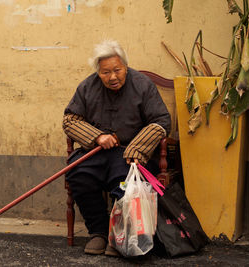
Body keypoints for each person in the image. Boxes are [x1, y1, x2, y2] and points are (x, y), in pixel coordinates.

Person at [63, 40, 171, 256]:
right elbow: (70, 120)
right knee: (78, 173)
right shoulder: (87, 86)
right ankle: (99, 233)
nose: (112, 77)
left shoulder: (142, 85)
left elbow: (161, 120)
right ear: (98, 72)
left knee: (123, 180)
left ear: (125, 66)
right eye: (105, 72)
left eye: (117, 70)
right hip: (97, 150)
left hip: (129, 153)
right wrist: (97, 136)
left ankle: (119, 234)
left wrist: (137, 149)